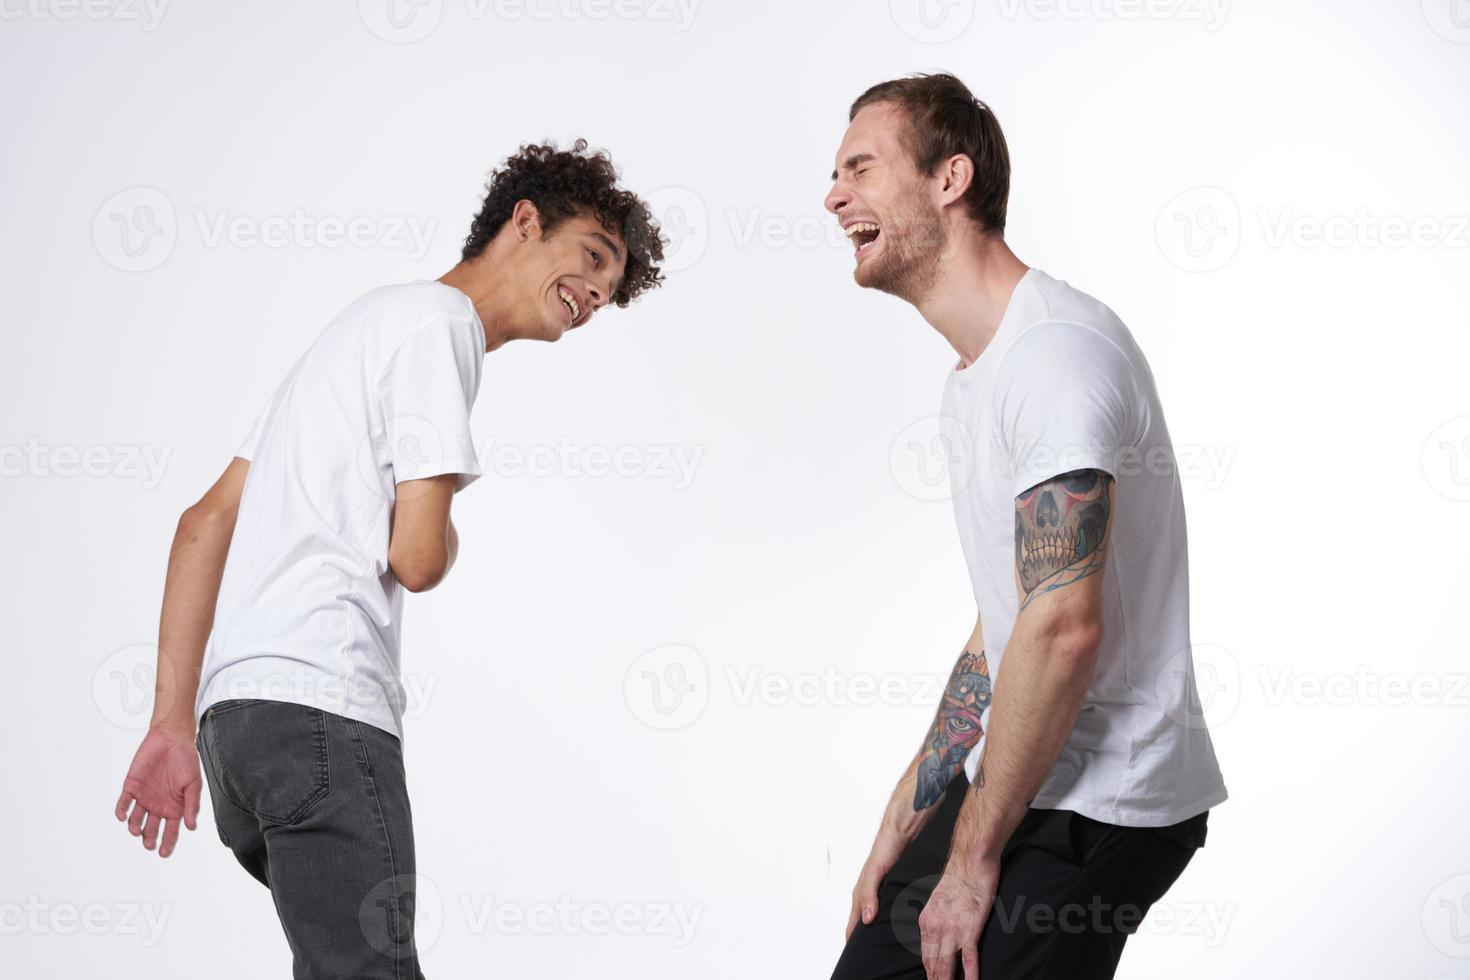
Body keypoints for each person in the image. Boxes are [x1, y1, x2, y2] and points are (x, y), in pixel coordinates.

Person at [112, 139, 664, 978]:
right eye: (593, 257)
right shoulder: (440, 327)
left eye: (610, 288)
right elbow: (415, 556)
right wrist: (447, 531)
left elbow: (203, 519)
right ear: (524, 221)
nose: (594, 293)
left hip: (239, 735)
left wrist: (170, 723)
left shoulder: (361, 330)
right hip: (324, 714)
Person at [824, 74, 1227, 980]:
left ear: (949, 179)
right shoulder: (977, 377)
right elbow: (1011, 616)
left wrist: (969, 864)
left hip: (1110, 801)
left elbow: (1063, 629)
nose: (833, 194)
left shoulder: (1054, 357)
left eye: (860, 166)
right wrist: (908, 814)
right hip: (1037, 768)